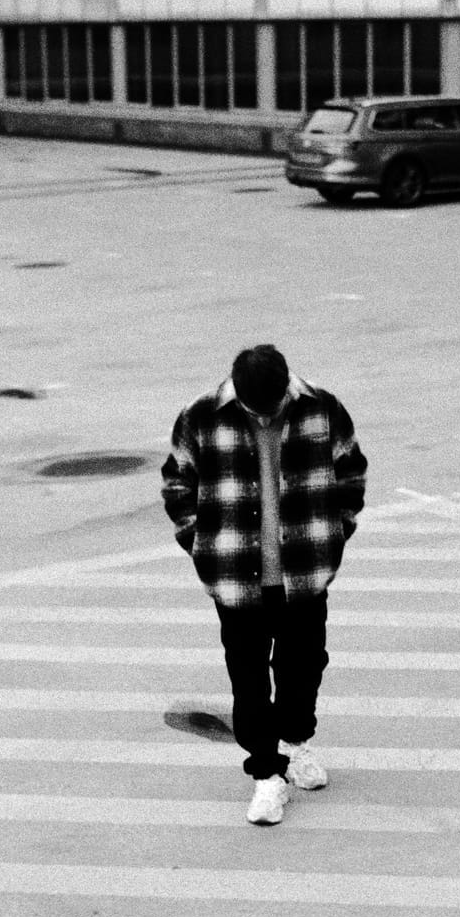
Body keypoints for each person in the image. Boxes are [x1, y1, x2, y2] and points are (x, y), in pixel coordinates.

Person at [160, 345, 368, 825]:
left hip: (305, 573)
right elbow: (177, 483)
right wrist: (200, 545)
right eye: (257, 409)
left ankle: (296, 744)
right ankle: (265, 777)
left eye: (271, 407)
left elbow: (351, 471)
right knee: (249, 679)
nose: (265, 415)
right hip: (236, 580)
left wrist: (337, 532)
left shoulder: (322, 409)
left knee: (304, 666)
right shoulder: (201, 417)